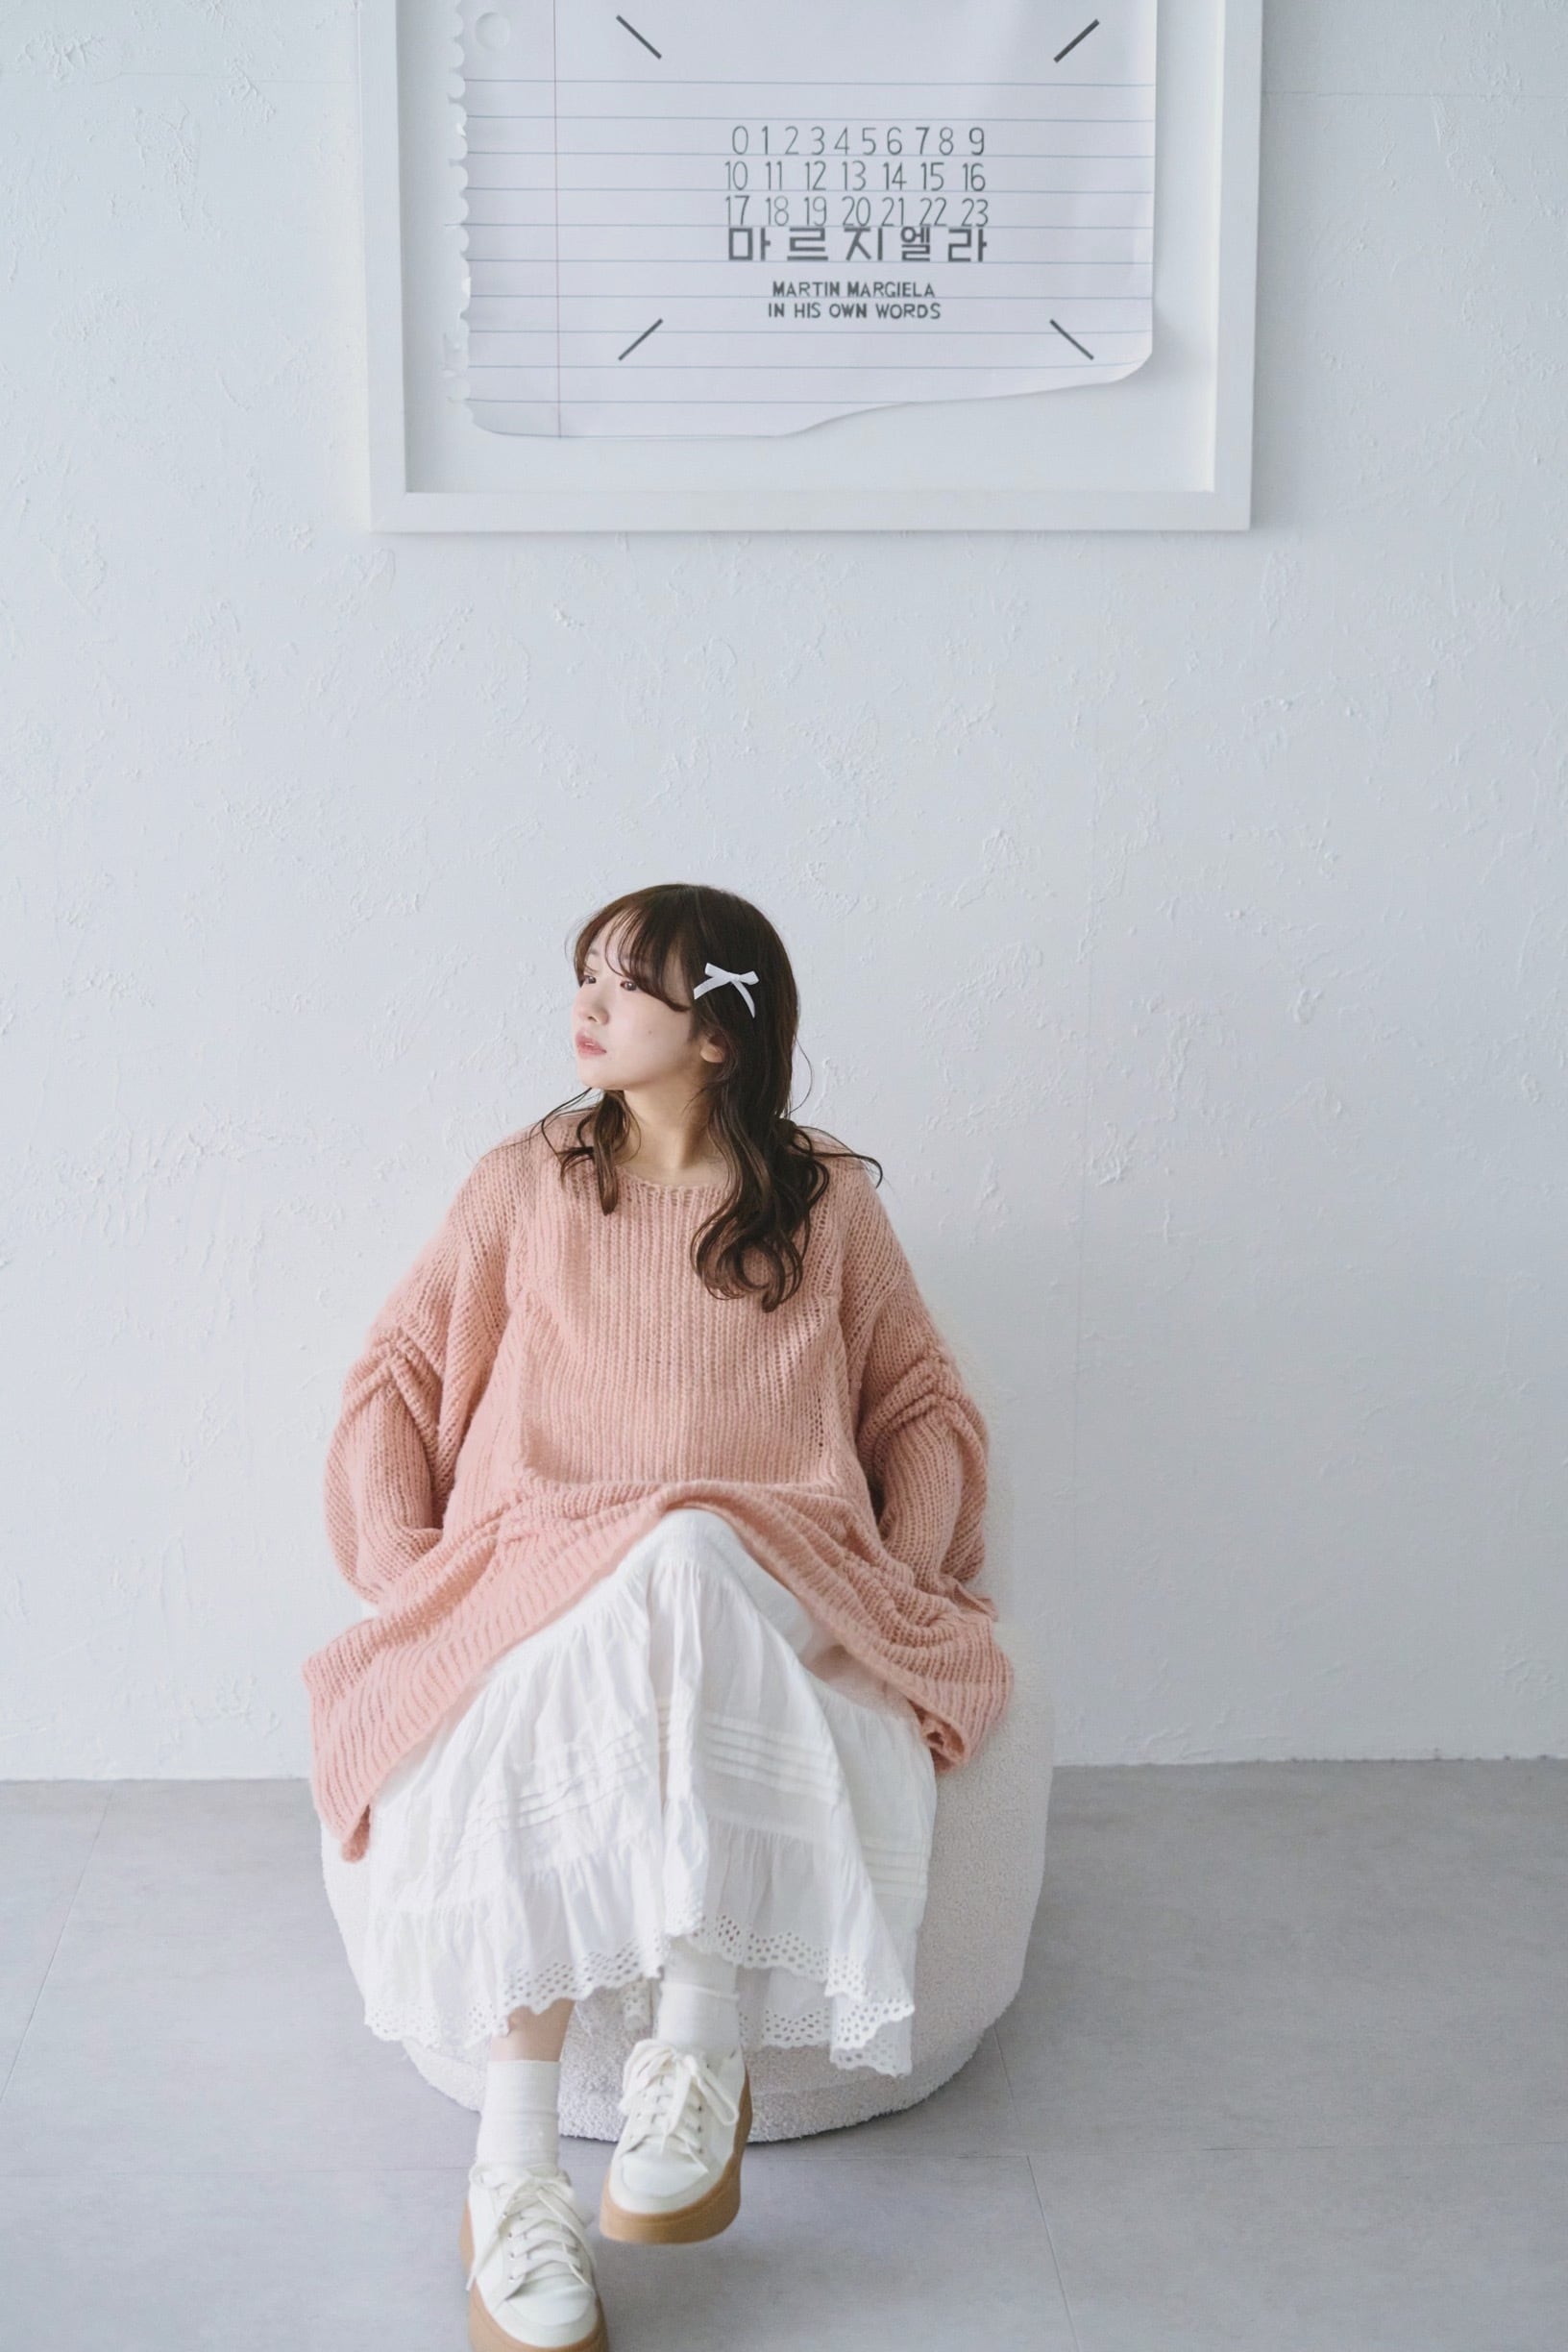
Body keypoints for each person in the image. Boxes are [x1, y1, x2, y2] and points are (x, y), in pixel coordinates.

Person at [302, 881, 1013, 2352]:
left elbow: (919, 1403)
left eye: (629, 984)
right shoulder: (524, 1183)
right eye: (587, 973)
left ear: (719, 1036)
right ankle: (515, 2181)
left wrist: (907, 1566)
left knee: (686, 1553)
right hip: (552, 1554)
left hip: (774, 1553)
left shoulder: (824, 1202)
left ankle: (697, 2050)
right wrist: (404, 1561)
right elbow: (401, 1372)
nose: (589, 1004)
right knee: (566, 1661)